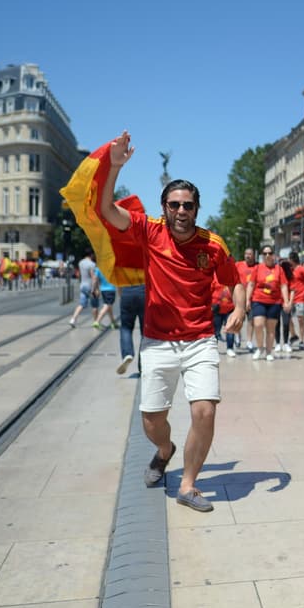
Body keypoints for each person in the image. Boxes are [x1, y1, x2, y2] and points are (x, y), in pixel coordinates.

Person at [96, 131, 246, 512]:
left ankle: (189, 485)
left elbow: (235, 281)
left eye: (189, 205)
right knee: (152, 419)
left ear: (197, 209)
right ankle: (165, 450)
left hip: (199, 339)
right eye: (175, 204)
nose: (182, 211)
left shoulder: (212, 245)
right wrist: (113, 167)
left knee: (205, 410)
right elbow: (107, 211)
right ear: (165, 208)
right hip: (158, 341)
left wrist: (240, 310)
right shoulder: (150, 230)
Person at [246, 244, 288, 361]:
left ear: (273, 255)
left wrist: (286, 301)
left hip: (275, 302)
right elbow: (251, 284)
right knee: (258, 325)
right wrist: (247, 300)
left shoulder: (279, 269)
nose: (267, 255)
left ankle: (269, 351)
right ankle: (260, 348)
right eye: (265, 253)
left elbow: (284, 286)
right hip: (259, 300)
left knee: (271, 329)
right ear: (262, 256)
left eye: (270, 253)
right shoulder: (257, 268)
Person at [286, 252, 304, 349]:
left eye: (288, 259)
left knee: (300, 320)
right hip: (290, 298)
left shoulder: (302, 269)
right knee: (287, 318)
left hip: (301, 298)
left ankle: (302, 341)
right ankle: (293, 335)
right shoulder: (289, 270)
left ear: (292, 259)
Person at [117, 283, 146, 375]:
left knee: (126, 327)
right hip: (144, 293)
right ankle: (143, 364)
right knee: (145, 332)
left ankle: (127, 353)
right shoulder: (146, 267)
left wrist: (121, 296)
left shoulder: (123, 267)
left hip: (126, 294)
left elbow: (118, 284)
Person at [69, 250, 100, 328]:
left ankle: (73, 319)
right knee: (95, 305)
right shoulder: (92, 264)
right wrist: (95, 289)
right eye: (93, 254)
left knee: (81, 304)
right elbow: (93, 277)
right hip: (90, 286)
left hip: (83, 285)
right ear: (91, 254)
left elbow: (80, 274)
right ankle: (95, 322)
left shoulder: (80, 263)